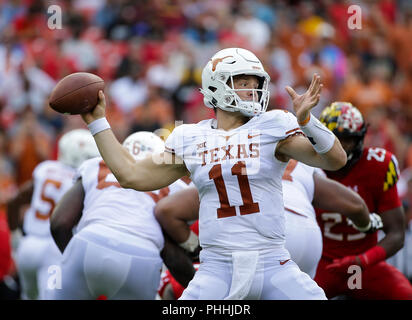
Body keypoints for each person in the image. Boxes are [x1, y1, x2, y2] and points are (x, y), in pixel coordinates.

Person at [79, 47, 349, 300]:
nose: (253, 89)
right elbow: (132, 175)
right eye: (243, 82)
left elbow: (335, 160)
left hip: (272, 261)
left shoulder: (273, 125)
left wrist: (307, 121)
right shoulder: (190, 137)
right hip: (217, 267)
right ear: (217, 85)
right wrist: (98, 123)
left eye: (255, 82)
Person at [154, 160, 382, 299]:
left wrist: (193, 249)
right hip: (304, 235)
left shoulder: (222, 155)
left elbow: (167, 211)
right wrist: (367, 223)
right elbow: (354, 205)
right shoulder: (297, 161)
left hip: (253, 239)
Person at [48, 131, 194, 300]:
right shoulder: (175, 186)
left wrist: (76, 261)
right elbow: (172, 255)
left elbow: (60, 223)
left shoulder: (97, 164)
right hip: (142, 256)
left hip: (90, 241)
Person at [315, 101, 412, 299]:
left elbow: (396, 234)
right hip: (321, 263)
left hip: (364, 265)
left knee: (404, 294)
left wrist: (363, 260)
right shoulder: (308, 165)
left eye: (347, 139)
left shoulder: (377, 166)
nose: (340, 147)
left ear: (360, 139)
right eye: (334, 139)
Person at [6, 129, 100, 300]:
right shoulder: (84, 179)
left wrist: (15, 233)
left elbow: (16, 201)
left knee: (28, 296)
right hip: (54, 251)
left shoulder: (46, 168)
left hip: (28, 246)